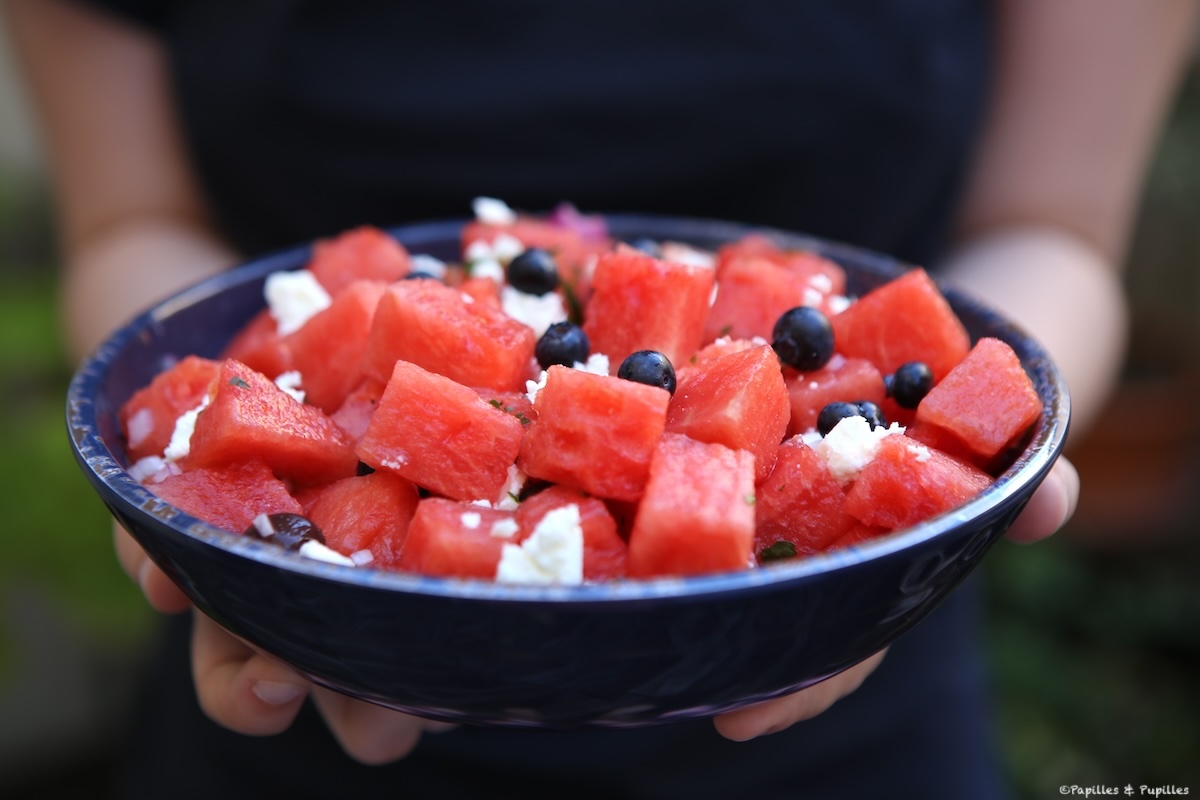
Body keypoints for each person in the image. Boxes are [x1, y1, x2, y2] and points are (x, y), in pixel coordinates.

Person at [5, 0, 1194, 796]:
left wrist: (964, 466)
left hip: (850, 702)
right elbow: (128, 225)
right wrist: (209, 474)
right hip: (294, 686)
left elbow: (1051, 230)